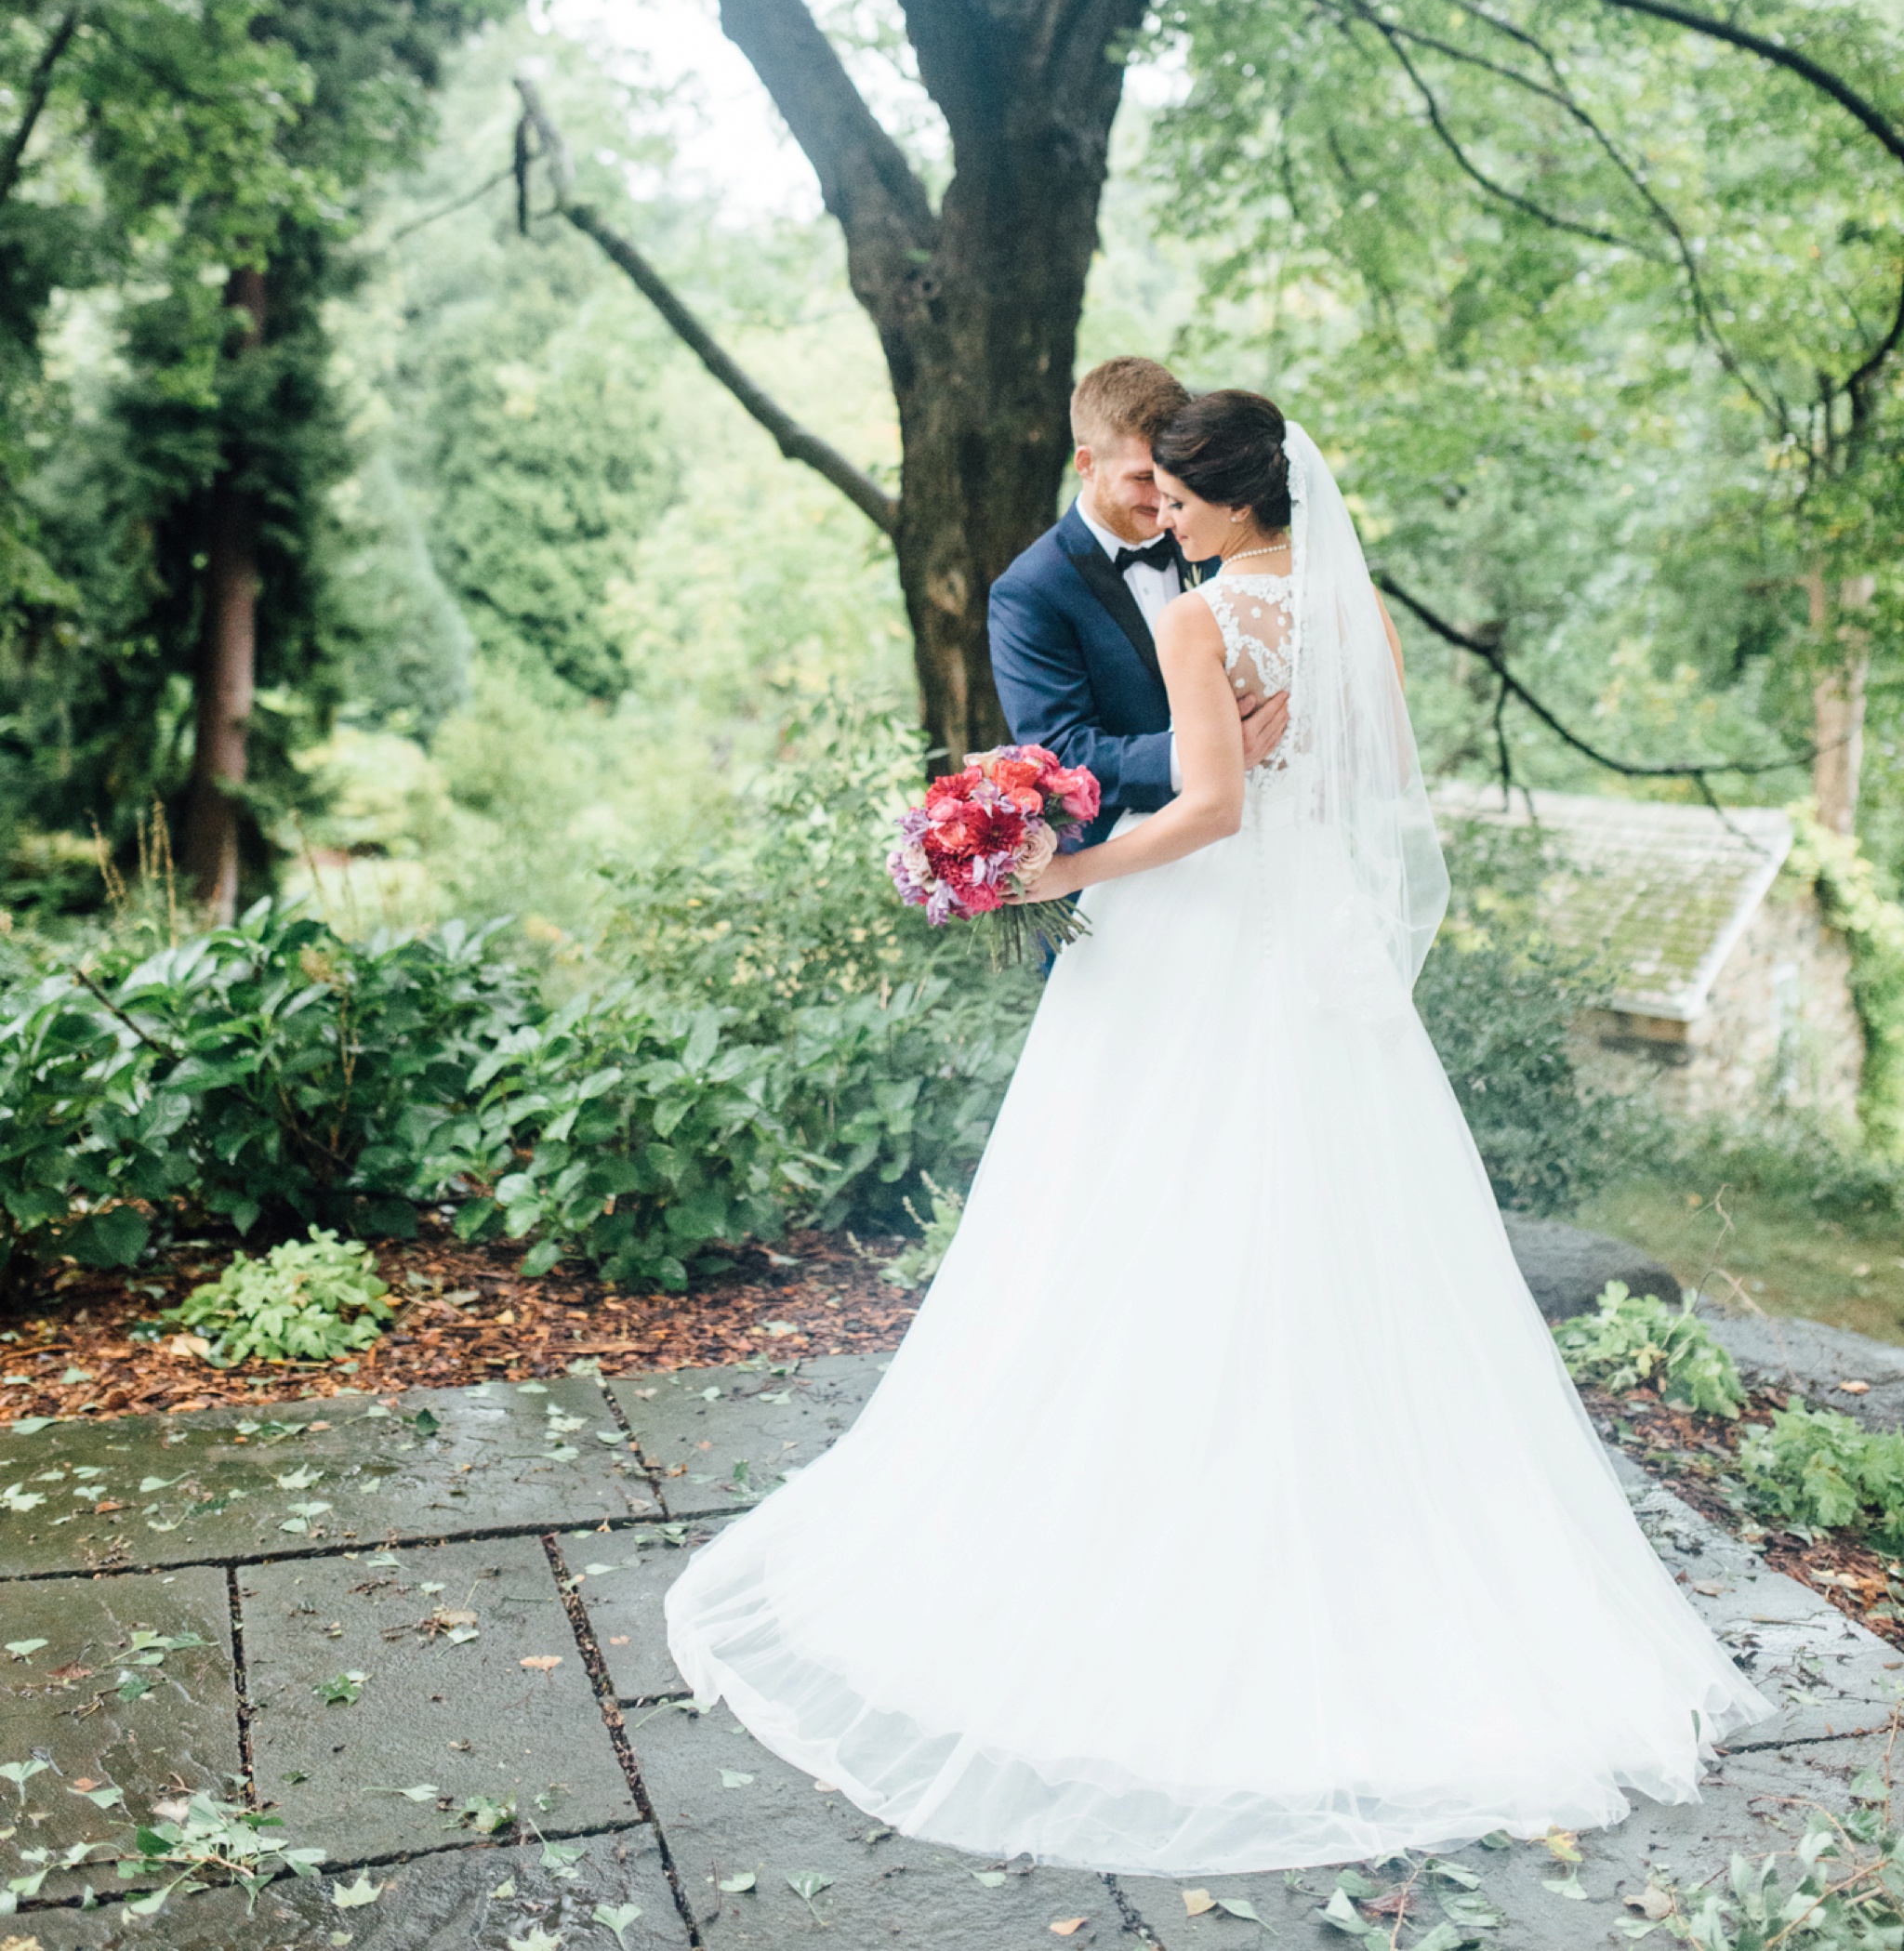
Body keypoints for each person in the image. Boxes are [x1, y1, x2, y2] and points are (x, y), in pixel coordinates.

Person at [666, 389, 1767, 1873]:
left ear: (1229, 499)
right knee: (1327, 1223)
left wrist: (1052, 879)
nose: (1162, 514)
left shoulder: (1198, 615)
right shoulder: (1356, 618)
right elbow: (1349, 796)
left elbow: (1209, 812)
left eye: (1178, 495)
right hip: (1319, 961)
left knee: (1132, 1211)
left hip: (1198, 939)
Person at [986, 355, 1288, 840]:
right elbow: (1059, 752)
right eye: (1144, 479)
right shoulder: (1030, 591)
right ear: (1086, 463)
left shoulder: (1216, 533)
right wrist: (1206, 754)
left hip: (1262, 832)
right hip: (1123, 857)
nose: (1165, 500)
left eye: (1177, 478)